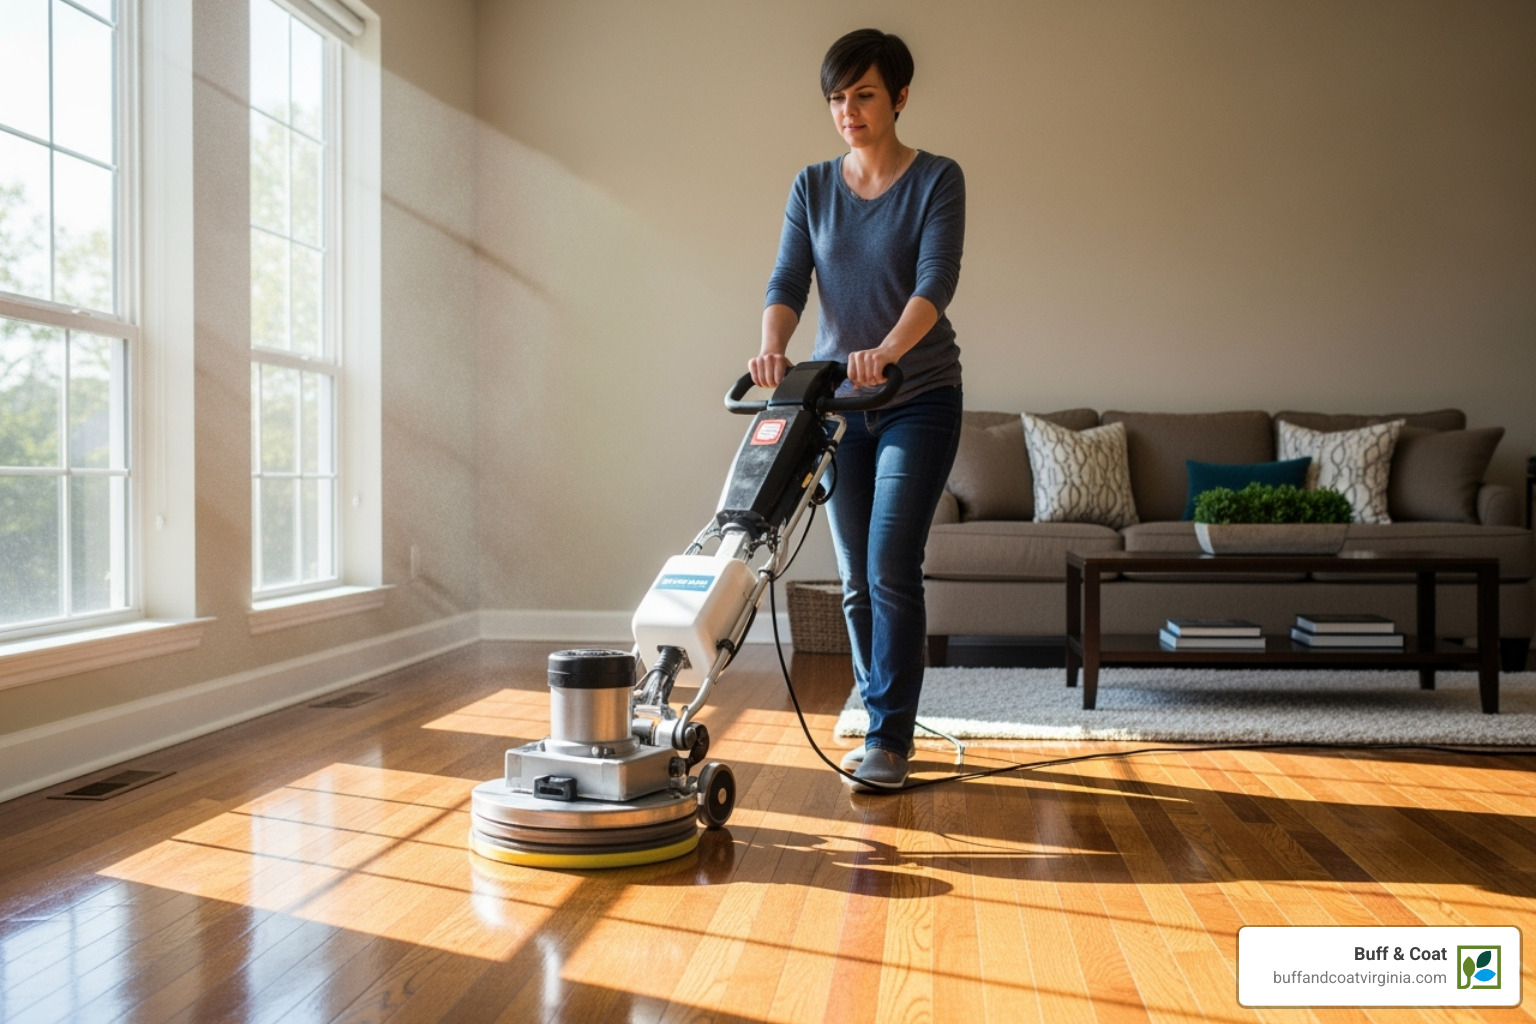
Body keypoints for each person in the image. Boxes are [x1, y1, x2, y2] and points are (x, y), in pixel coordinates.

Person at [750, 28, 965, 791]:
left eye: (864, 94)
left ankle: (890, 741)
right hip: (840, 407)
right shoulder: (812, 186)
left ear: (900, 96)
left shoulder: (937, 178)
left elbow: (934, 285)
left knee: (889, 565)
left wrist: (890, 349)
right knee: (852, 578)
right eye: (837, 98)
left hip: (919, 397)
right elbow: (787, 282)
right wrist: (773, 347)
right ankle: (881, 718)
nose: (848, 110)